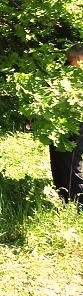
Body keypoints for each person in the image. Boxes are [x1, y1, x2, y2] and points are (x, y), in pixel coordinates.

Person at [49, 43, 83, 203]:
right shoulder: (64, 73)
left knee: (70, 163)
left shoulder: (75, 75)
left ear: (79, 57)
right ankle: (64, 197)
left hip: (73, 124)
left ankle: (78, 200)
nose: (68, 60)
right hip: (59, 124)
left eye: (71, 58)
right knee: (59, 161)